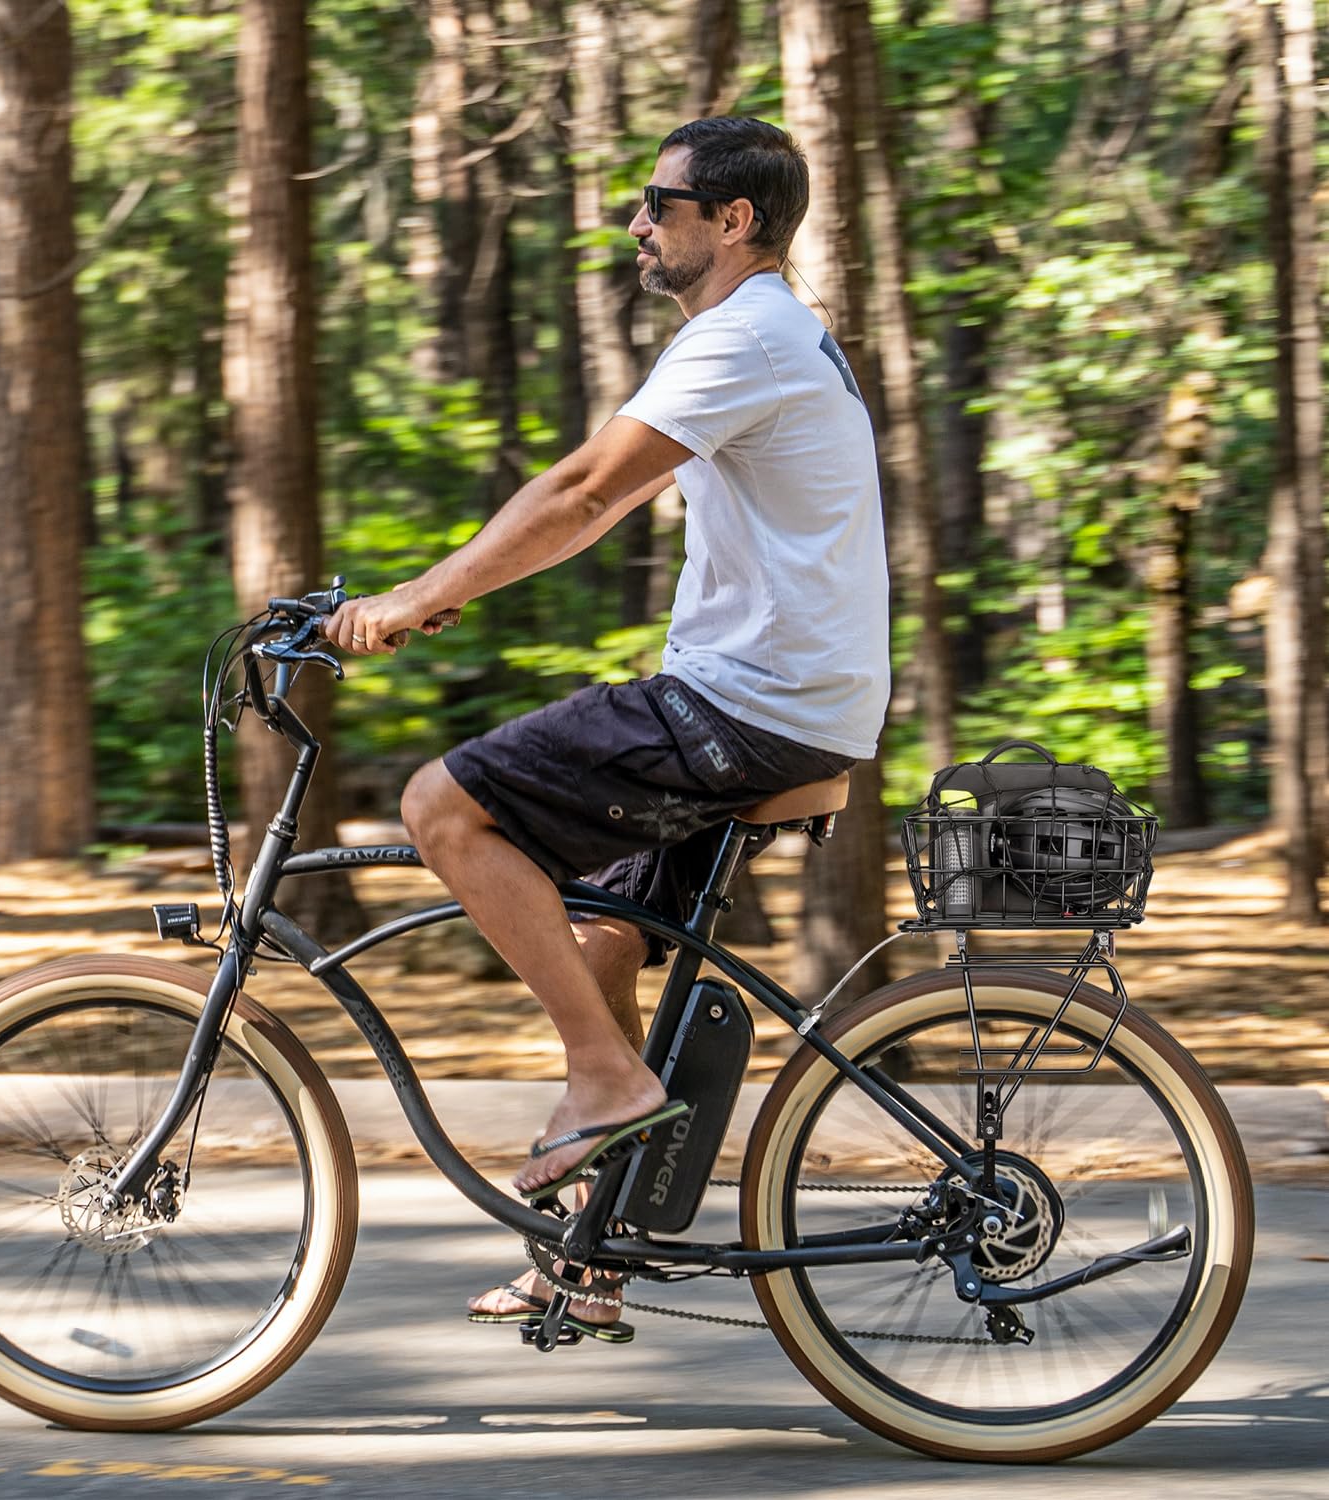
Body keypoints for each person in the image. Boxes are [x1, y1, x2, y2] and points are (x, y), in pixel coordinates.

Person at [320, 116, 890, 1338]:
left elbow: (587, 489)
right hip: (785, 699)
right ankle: (590, 1254)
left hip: (752, 705)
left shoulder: (748, 333)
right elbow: (610, 498)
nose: (639, 222)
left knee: (441, 806)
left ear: (731, 221)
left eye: (658, 201)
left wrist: (420, 598)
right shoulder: (770, 335)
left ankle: (607, 1077)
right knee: (602, 944)